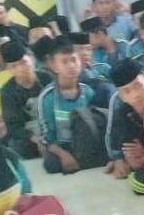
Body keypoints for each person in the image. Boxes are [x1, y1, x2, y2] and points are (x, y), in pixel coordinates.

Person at [37, 38, 99, 174]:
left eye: (74, 60)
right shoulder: (47, 97)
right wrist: (63, 155)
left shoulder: (88, 92)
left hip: (86, 144)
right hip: (63, 147)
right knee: (51, 164)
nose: (72, 66)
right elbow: (47, 137)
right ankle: (84, 162)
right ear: (54, 66)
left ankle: (82, 162)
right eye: (65, 62)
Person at [103, 59, 144, 195]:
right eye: (127, 91)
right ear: (122, 96)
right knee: (139, 182)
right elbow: (136, 163)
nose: (135, 94)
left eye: (138, 86)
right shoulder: (124, 115)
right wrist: (118, 158)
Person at [0, 41, 49, 158]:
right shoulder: (7, 91)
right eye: (14, 66)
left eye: (23, 62)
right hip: (29, 134)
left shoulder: (46, 78)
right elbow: (13, 126)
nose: (21, 69)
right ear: (8, 69)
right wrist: (35, 138)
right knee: (19, 147)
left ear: (32, 59)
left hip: (50, 127)